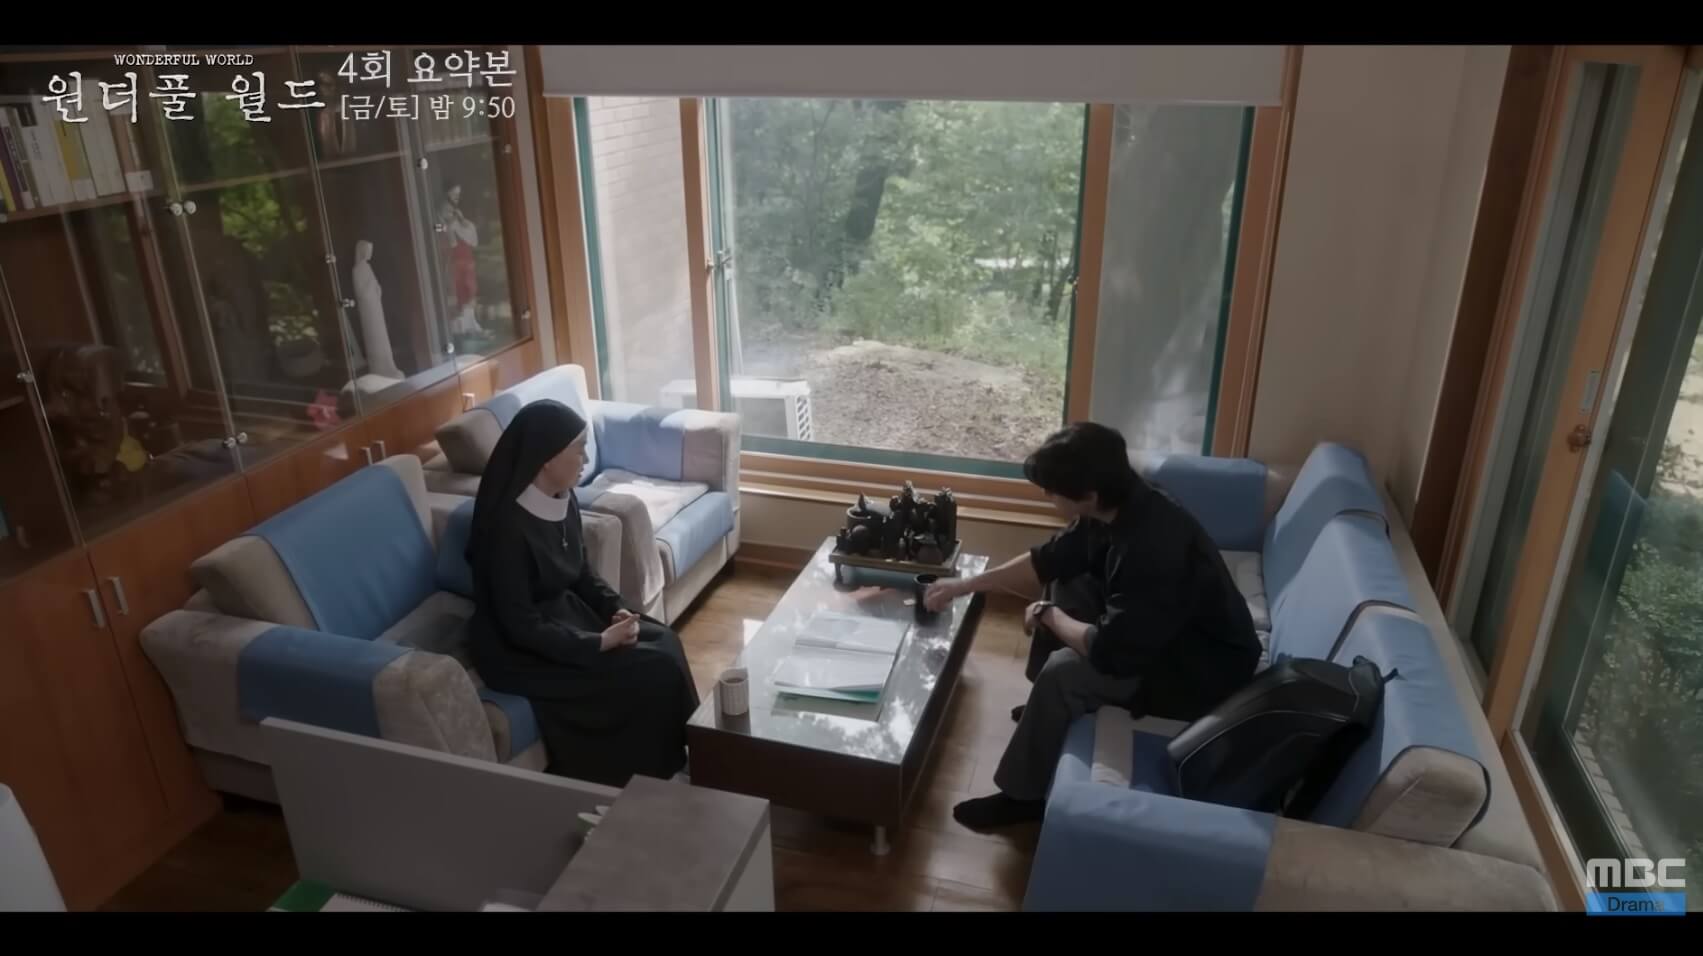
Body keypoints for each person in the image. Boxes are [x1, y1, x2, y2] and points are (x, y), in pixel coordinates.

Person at [923, 422, 1261, 830]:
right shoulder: (1121, 503)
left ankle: (1022, 797)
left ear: (1088, 495)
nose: (1048, 497)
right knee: (1067, 579)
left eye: (1052, 491)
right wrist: (963, 585)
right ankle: (1047, 711)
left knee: (1063, 672)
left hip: (1198, 674)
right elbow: (1049, 559)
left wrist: (1047, 614)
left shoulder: (1152, 550)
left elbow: (1108, 650)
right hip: (1162, 632)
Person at [464, 399, 700, 787]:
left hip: (564, 617)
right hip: (520, 651)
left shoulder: (563, 498)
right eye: (579, 448)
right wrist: (598, 643)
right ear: (546, 458)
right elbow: (520, 625)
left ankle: (694, 751)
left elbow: (581, 574)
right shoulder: (505, 529)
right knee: (651, 669)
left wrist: (617, 610)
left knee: (665, 641)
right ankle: (657, 774)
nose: (586, 459)